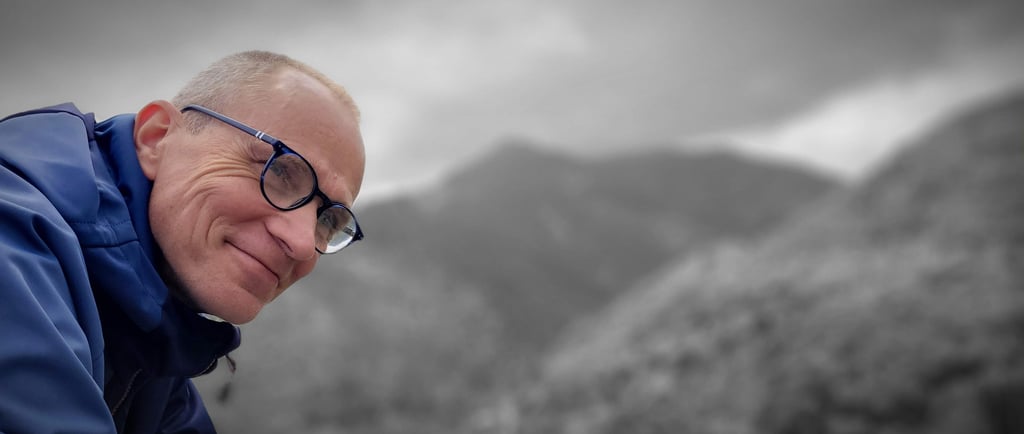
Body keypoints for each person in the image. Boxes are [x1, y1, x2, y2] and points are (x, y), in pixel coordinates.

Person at [0, 50, 366, 433]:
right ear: (156, 137)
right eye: (281, 171)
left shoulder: (153, 339)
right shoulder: (13, 240)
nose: (302, 244)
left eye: (329, 220)